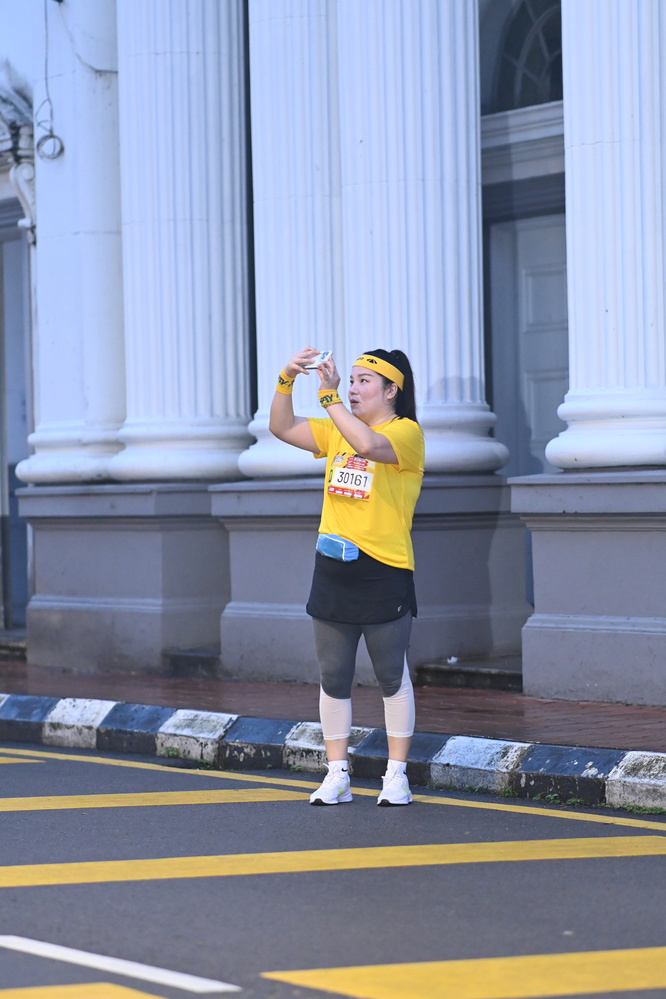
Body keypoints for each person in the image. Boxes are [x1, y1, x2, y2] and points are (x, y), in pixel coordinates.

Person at [269, 346, 424, 806]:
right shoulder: (337, 427)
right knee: (333, 675)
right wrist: (285, 377)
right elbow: (280, 427)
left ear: (391, 391)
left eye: (363, 382)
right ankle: (336, 773)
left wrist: (329, 397)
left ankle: (396, 775)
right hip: (333, 566)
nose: (353, 389)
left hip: (384, 569)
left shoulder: (406, 432)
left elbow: (368, 446)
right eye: (351, 380)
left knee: (390, 675)